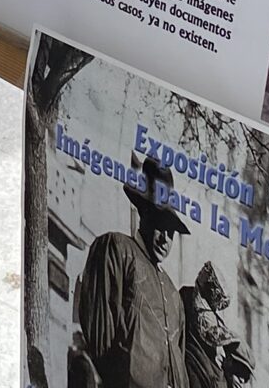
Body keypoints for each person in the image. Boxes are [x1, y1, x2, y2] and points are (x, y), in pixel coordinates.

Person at [73, 156, 191, 388]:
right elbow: (99, 334)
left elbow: (180, 357)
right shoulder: (117, 249)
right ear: (143, 214)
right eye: (159, 224)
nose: (165, 238)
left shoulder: (173, 294)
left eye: (171, 231)